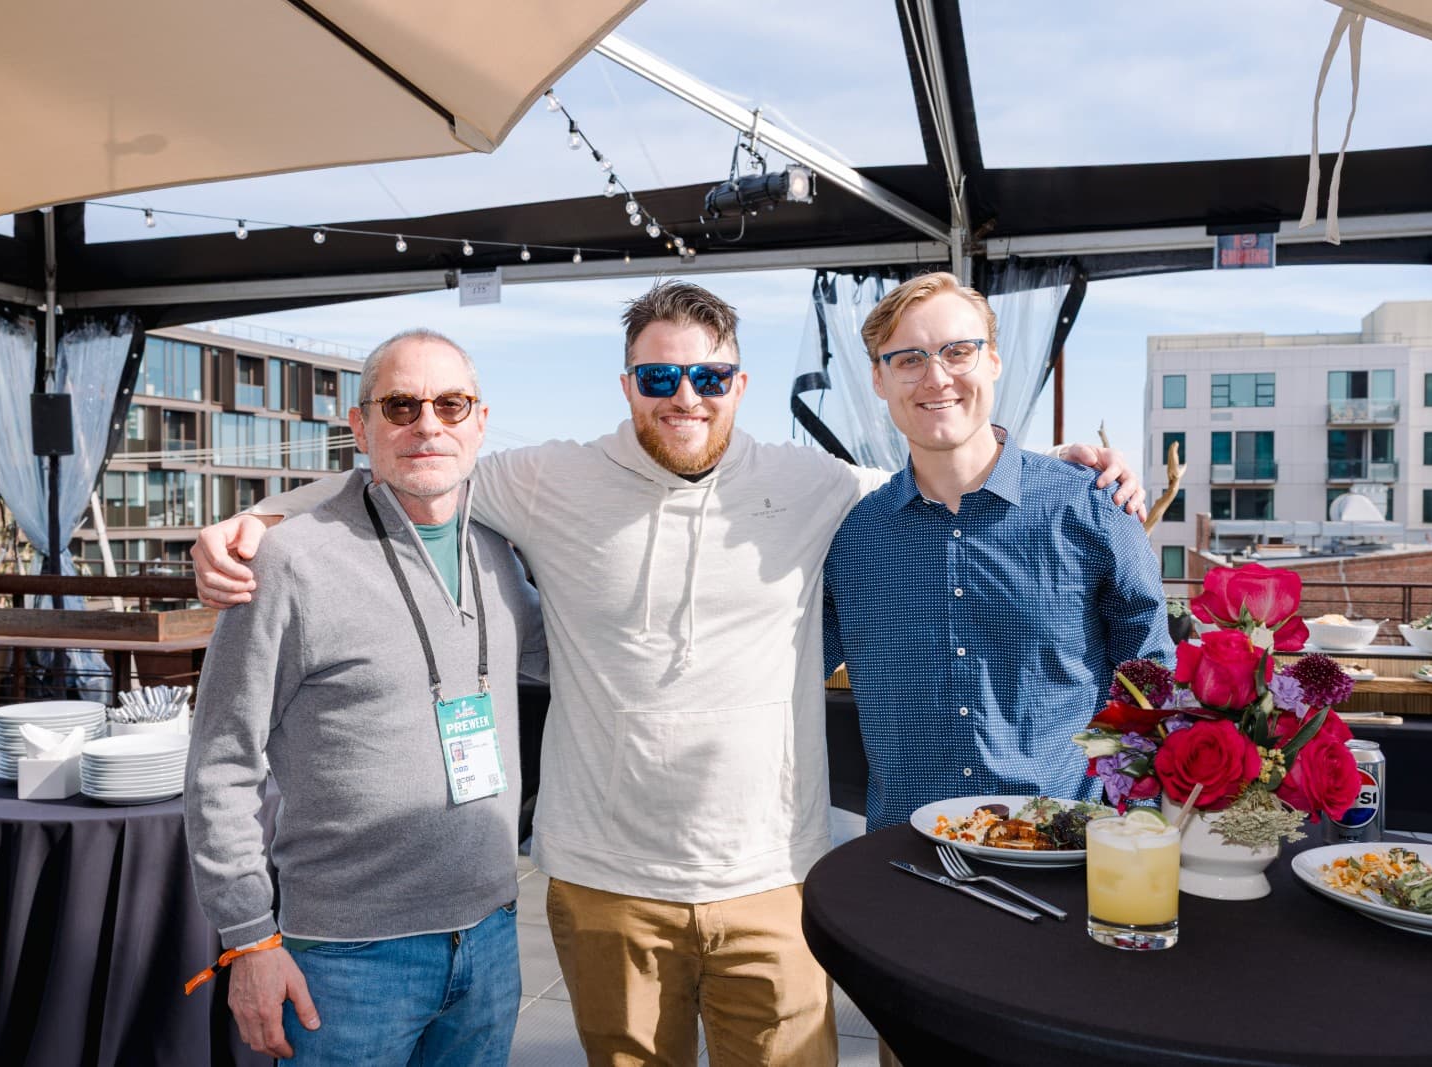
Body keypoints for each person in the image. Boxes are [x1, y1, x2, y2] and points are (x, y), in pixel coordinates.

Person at [190, 282, 1144, 1067]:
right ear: (627, 383)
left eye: (708, 375)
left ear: (739, 382)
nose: (684, 396)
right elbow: (417, 465)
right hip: (605, 882)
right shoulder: (546, 478)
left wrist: (1067, 468)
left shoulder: (816, 484)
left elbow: (949, 471)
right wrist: (263, 517)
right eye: (659, 376)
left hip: (774, 874)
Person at [184, 330, 545, 1066]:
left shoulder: (503, 551)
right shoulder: (288, 561)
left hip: (491, 938)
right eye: (401, 405)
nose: (428, 425)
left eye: (450, 404)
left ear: (480, 419)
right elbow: (221, 760)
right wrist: (249, 937)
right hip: (349, 959)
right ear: (361, 426)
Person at [824, 272, 1173, 836]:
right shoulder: (853, 536)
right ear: (878, 380)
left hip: (1066, 856)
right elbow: (779, 671)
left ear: (993, 361)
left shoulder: (1093, 506)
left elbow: (1154, 686)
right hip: (906, 866)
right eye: (908, 359)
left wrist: (1134, 837)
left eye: (958, 351)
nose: (936, 377)